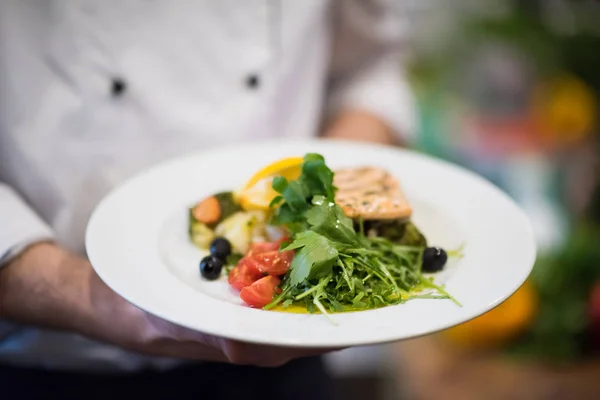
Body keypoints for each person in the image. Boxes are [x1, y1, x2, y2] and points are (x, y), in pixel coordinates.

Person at [0, 1, 416, 398]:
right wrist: (83, 294)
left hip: (288, 360)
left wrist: (332, 213)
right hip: (50, 367)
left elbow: (369, 72)